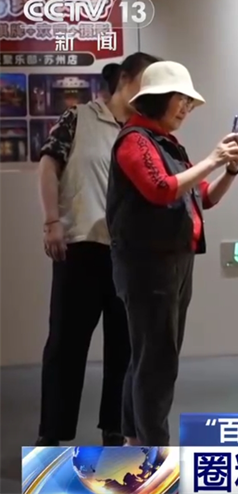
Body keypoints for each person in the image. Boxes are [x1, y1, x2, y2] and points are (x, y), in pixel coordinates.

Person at [106, 61, 238, 445]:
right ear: (157, 99)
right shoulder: (135, 140)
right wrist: (213, 160)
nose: (186, 107)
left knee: (147, 358)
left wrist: (229, 171)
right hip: (148, 264)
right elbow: (162, 189)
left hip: (173, 261)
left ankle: (135, 444)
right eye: (180, 99)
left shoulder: (165, 143)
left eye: (188, 101)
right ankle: (153, 452)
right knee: (156, 362)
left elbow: (201, 197)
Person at [36, 52, 160, 446]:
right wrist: (52, 221)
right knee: (65, 345)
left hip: (130, 255)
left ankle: (115, 431)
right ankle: (51, 434)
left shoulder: (147, 132)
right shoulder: (78, 118)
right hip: (81, 248)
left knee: (124, 348)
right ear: (124, 80)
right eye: (147, 81)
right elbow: (48, 166)